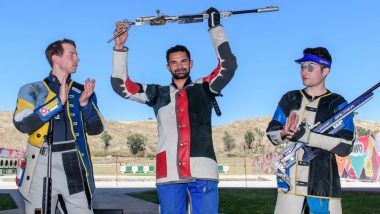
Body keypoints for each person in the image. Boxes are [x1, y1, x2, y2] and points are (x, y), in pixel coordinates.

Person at [111, 7, 237, 214]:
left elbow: (228, 66)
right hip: (168, 172)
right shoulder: (156, 93)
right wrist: (119, 46)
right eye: (174, 62)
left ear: (191, 63)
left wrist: (215, 28)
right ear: (168, 67)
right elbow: (121, 85)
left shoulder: (205, 87)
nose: (179, 66)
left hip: (203, 168)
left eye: (183, 61)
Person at [13, 39, 104, 213]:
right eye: (72, 54)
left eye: (76, 54)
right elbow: (22, 124)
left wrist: (85, 104)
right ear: (55, 57)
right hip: (40, 159)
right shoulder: (31, 90)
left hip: (72, 159)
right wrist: (57, 103)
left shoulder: (82, 91)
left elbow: (96, 129)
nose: (77, 59)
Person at [266, 47, 355, 214]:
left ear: (325, 70)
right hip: (289, 187)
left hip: (323, 188)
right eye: (302, 66)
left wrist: (308, 136)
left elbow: (346, 146)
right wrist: (285, 132)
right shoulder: (289, 98)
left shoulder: (338, 103)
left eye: (311, 66)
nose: (304, 71)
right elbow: (272, 134)